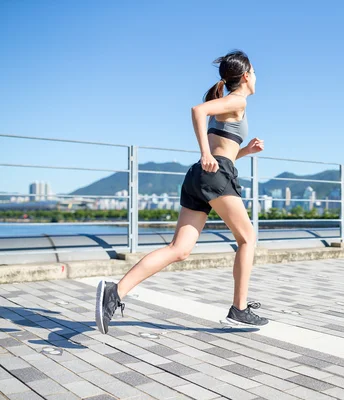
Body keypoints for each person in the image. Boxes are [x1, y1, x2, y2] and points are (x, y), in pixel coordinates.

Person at [95, 50, 268, 334]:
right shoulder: (236, 100)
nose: (258, 77)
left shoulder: (228, 102)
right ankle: (239, 310)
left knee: (179, 249)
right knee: (248, 238)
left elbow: (221, 154)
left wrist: (245, 151)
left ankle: (115, 293)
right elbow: (197, 112)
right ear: (247, 76)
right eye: (256, 72)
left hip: (201, 176)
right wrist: (204, 153)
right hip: (213, 174)